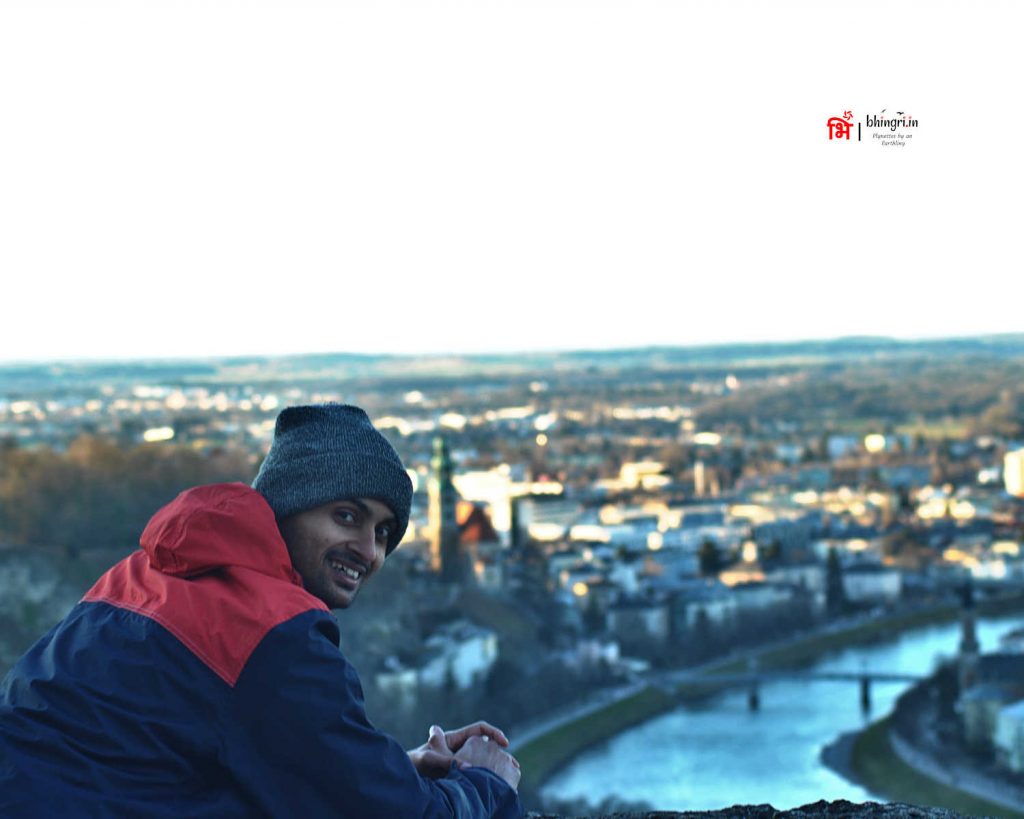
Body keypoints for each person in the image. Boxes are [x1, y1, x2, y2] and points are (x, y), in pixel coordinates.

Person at [0, 404, 522, 818]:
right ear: (289, 505)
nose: (368, 550)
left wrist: (389, 769)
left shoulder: (138, 575)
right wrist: (485, 783)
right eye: (347, 517)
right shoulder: (273, 635)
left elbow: (145, 761)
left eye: (384, 533)